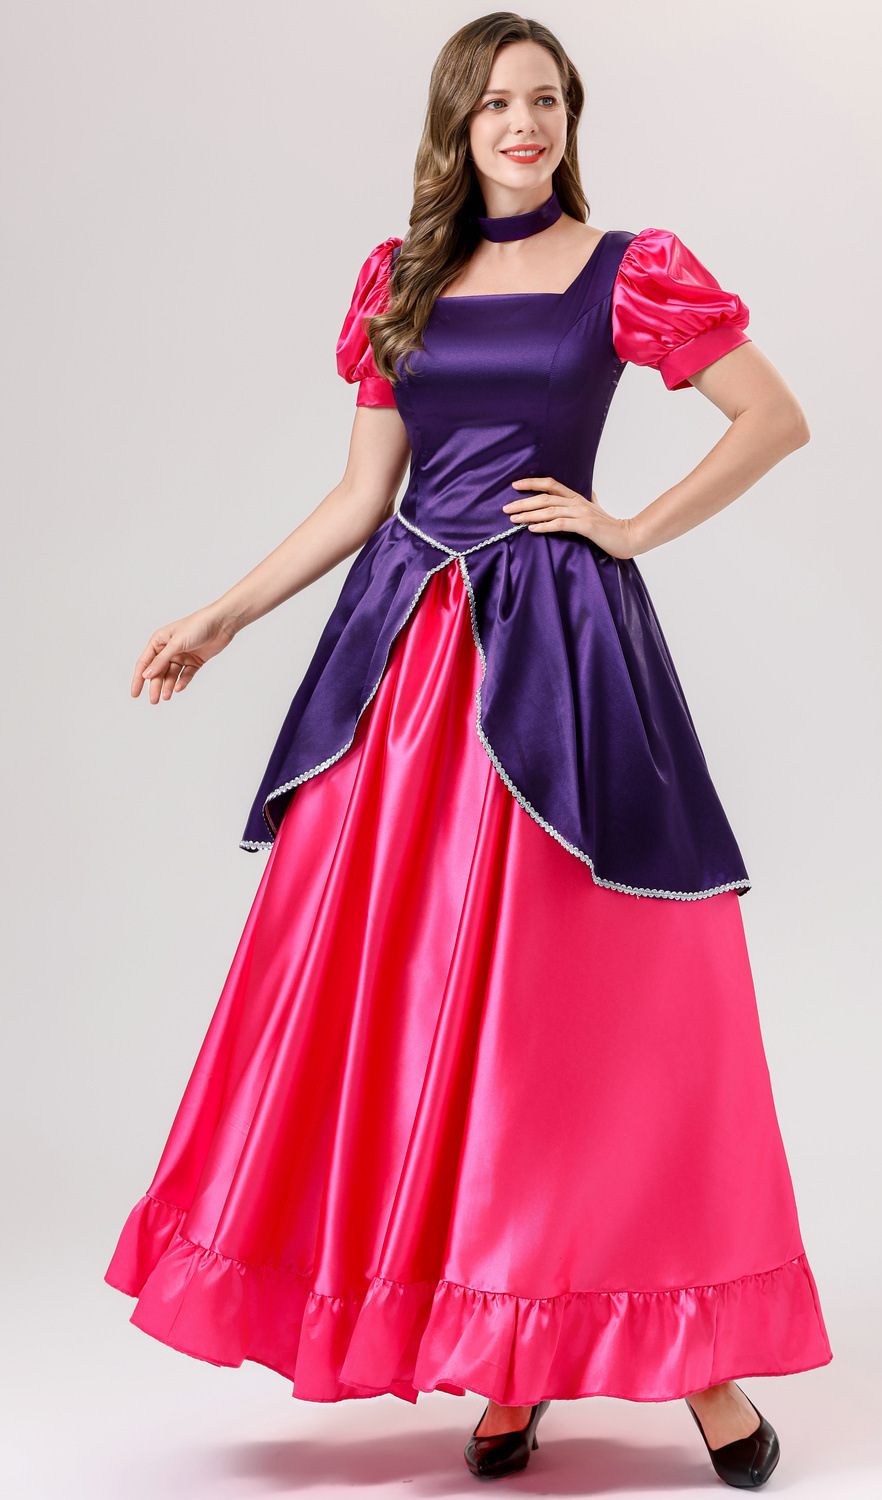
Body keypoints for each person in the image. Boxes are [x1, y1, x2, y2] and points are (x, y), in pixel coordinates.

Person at [105, 12, 832, 1491]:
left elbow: (774, 417)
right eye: (498, 101)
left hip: (561, 657)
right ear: (457, 120)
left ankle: (694, 1359)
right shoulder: (400, 278)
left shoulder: (630, 268)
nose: (525, 123)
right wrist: (223, 617)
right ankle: (503, 1355)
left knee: (586, 1015)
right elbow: (362, 495)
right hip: (409, 674)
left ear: (572, 117)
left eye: (546, 99)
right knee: (418, 1008)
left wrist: (626, 528)